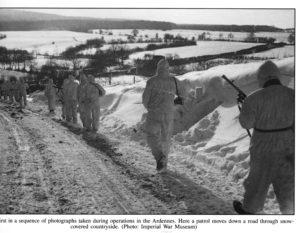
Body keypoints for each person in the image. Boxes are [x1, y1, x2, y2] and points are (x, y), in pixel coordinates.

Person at [234, 60, 294, 214]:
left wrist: (245, 107)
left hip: (262, 148)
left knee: (257, 182)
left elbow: (246, 124)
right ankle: (291, 213)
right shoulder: (293, 94)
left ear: (261, 77)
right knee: (288, 184)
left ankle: (250, 210)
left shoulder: (254, 98)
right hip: (288, 147)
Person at [142, 59, 185, 173]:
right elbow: (183, 94)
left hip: (154, 114)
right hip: (168, 114)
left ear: (158, 68)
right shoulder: (174, 81)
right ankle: (164, 165)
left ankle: (159, 157)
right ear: (168, 68)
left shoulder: (151, 81)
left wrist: (150, 108)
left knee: (151, 136)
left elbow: (145, 100)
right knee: (165, 139)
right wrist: (173, 102)